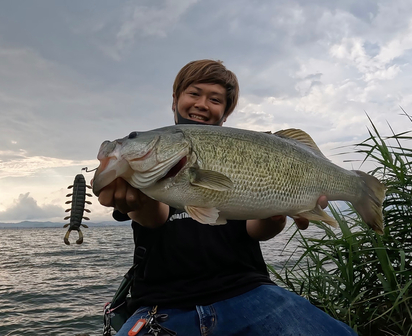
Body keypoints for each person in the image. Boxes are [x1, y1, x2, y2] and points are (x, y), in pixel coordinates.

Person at [97, 60, 357, 335]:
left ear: (225, 112)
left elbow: (256, 229)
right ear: (175, 101)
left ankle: (359, 190)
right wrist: (135, 193)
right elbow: (154, 218)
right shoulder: (148, 175)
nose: (202, 104)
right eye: (194, 94)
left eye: (215, 99)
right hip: (162, 305)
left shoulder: (244, 152)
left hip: (249, 291)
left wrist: (279, 211)